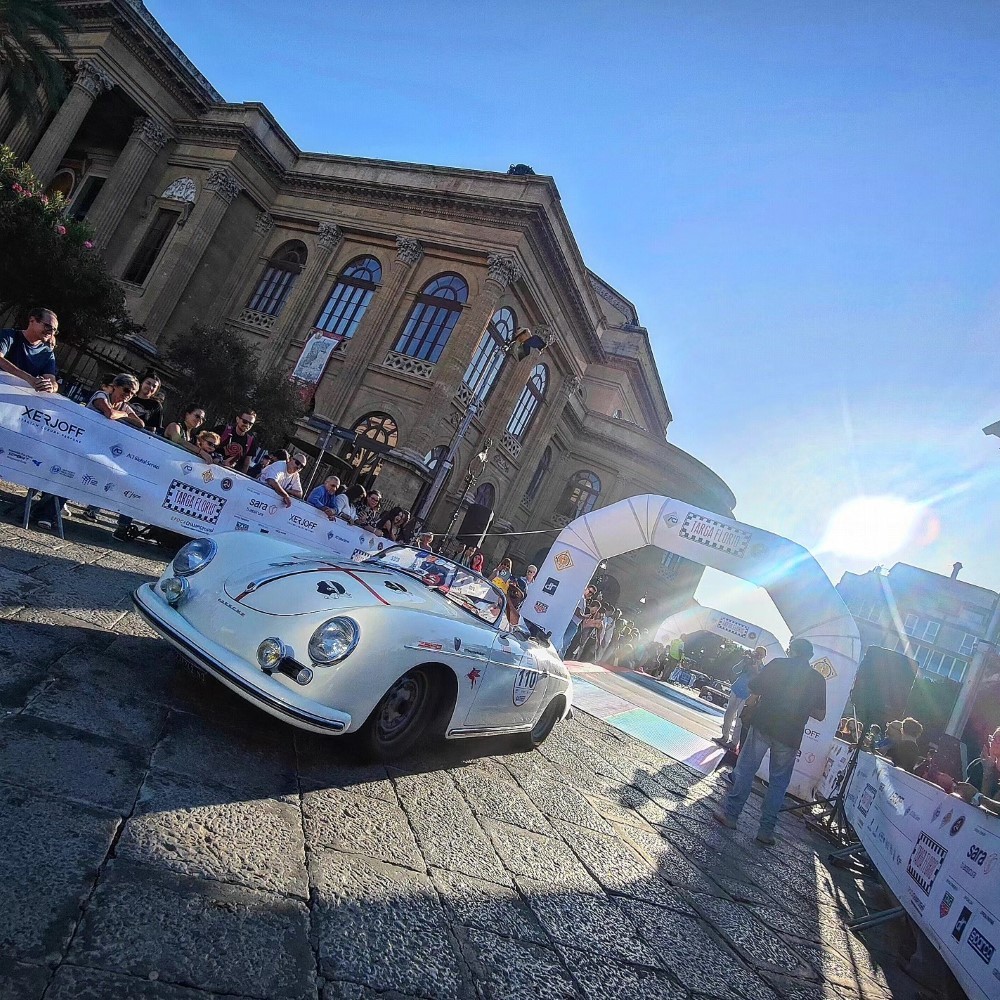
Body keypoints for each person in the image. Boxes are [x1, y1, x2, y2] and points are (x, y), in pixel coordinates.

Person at [713, 637, 826, 845]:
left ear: (791, 650)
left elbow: (754, 687)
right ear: (809, 656)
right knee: (778, 783)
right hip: (790, 735)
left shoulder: (778, 665)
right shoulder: (818, 680)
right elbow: (820, 714)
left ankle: (731, 816)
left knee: (746, 769)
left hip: (764, 723)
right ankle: (766, 831)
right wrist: (800, 707)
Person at [716, 645, 767, 749]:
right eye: (756, 652)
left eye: (760, 654)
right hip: (737, 688)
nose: (758, 655)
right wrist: (744, 661)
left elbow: (761, 680)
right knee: (728, 714)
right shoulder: (747, 660)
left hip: (747, 694)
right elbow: (735, 670)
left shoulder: (763, 668)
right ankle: (724, 736)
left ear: (763, 656)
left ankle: (734, 743)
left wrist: (756, 669)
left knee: (739, 719)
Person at [0, 307, 59, 392]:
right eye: (48, 326)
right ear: (32, 320)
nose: (51, 333)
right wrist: (29, 379)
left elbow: (52, 381)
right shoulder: (9, 336)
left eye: (54, 330)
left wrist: (51, 387)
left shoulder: (47, 353)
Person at [953, 726, 1000, 816]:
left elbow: (994, 811)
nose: (993, 742)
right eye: (992, 738)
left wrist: (977, 796)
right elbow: (965, 793)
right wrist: (951, 785)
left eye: (998, 739)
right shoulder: (978, 765)